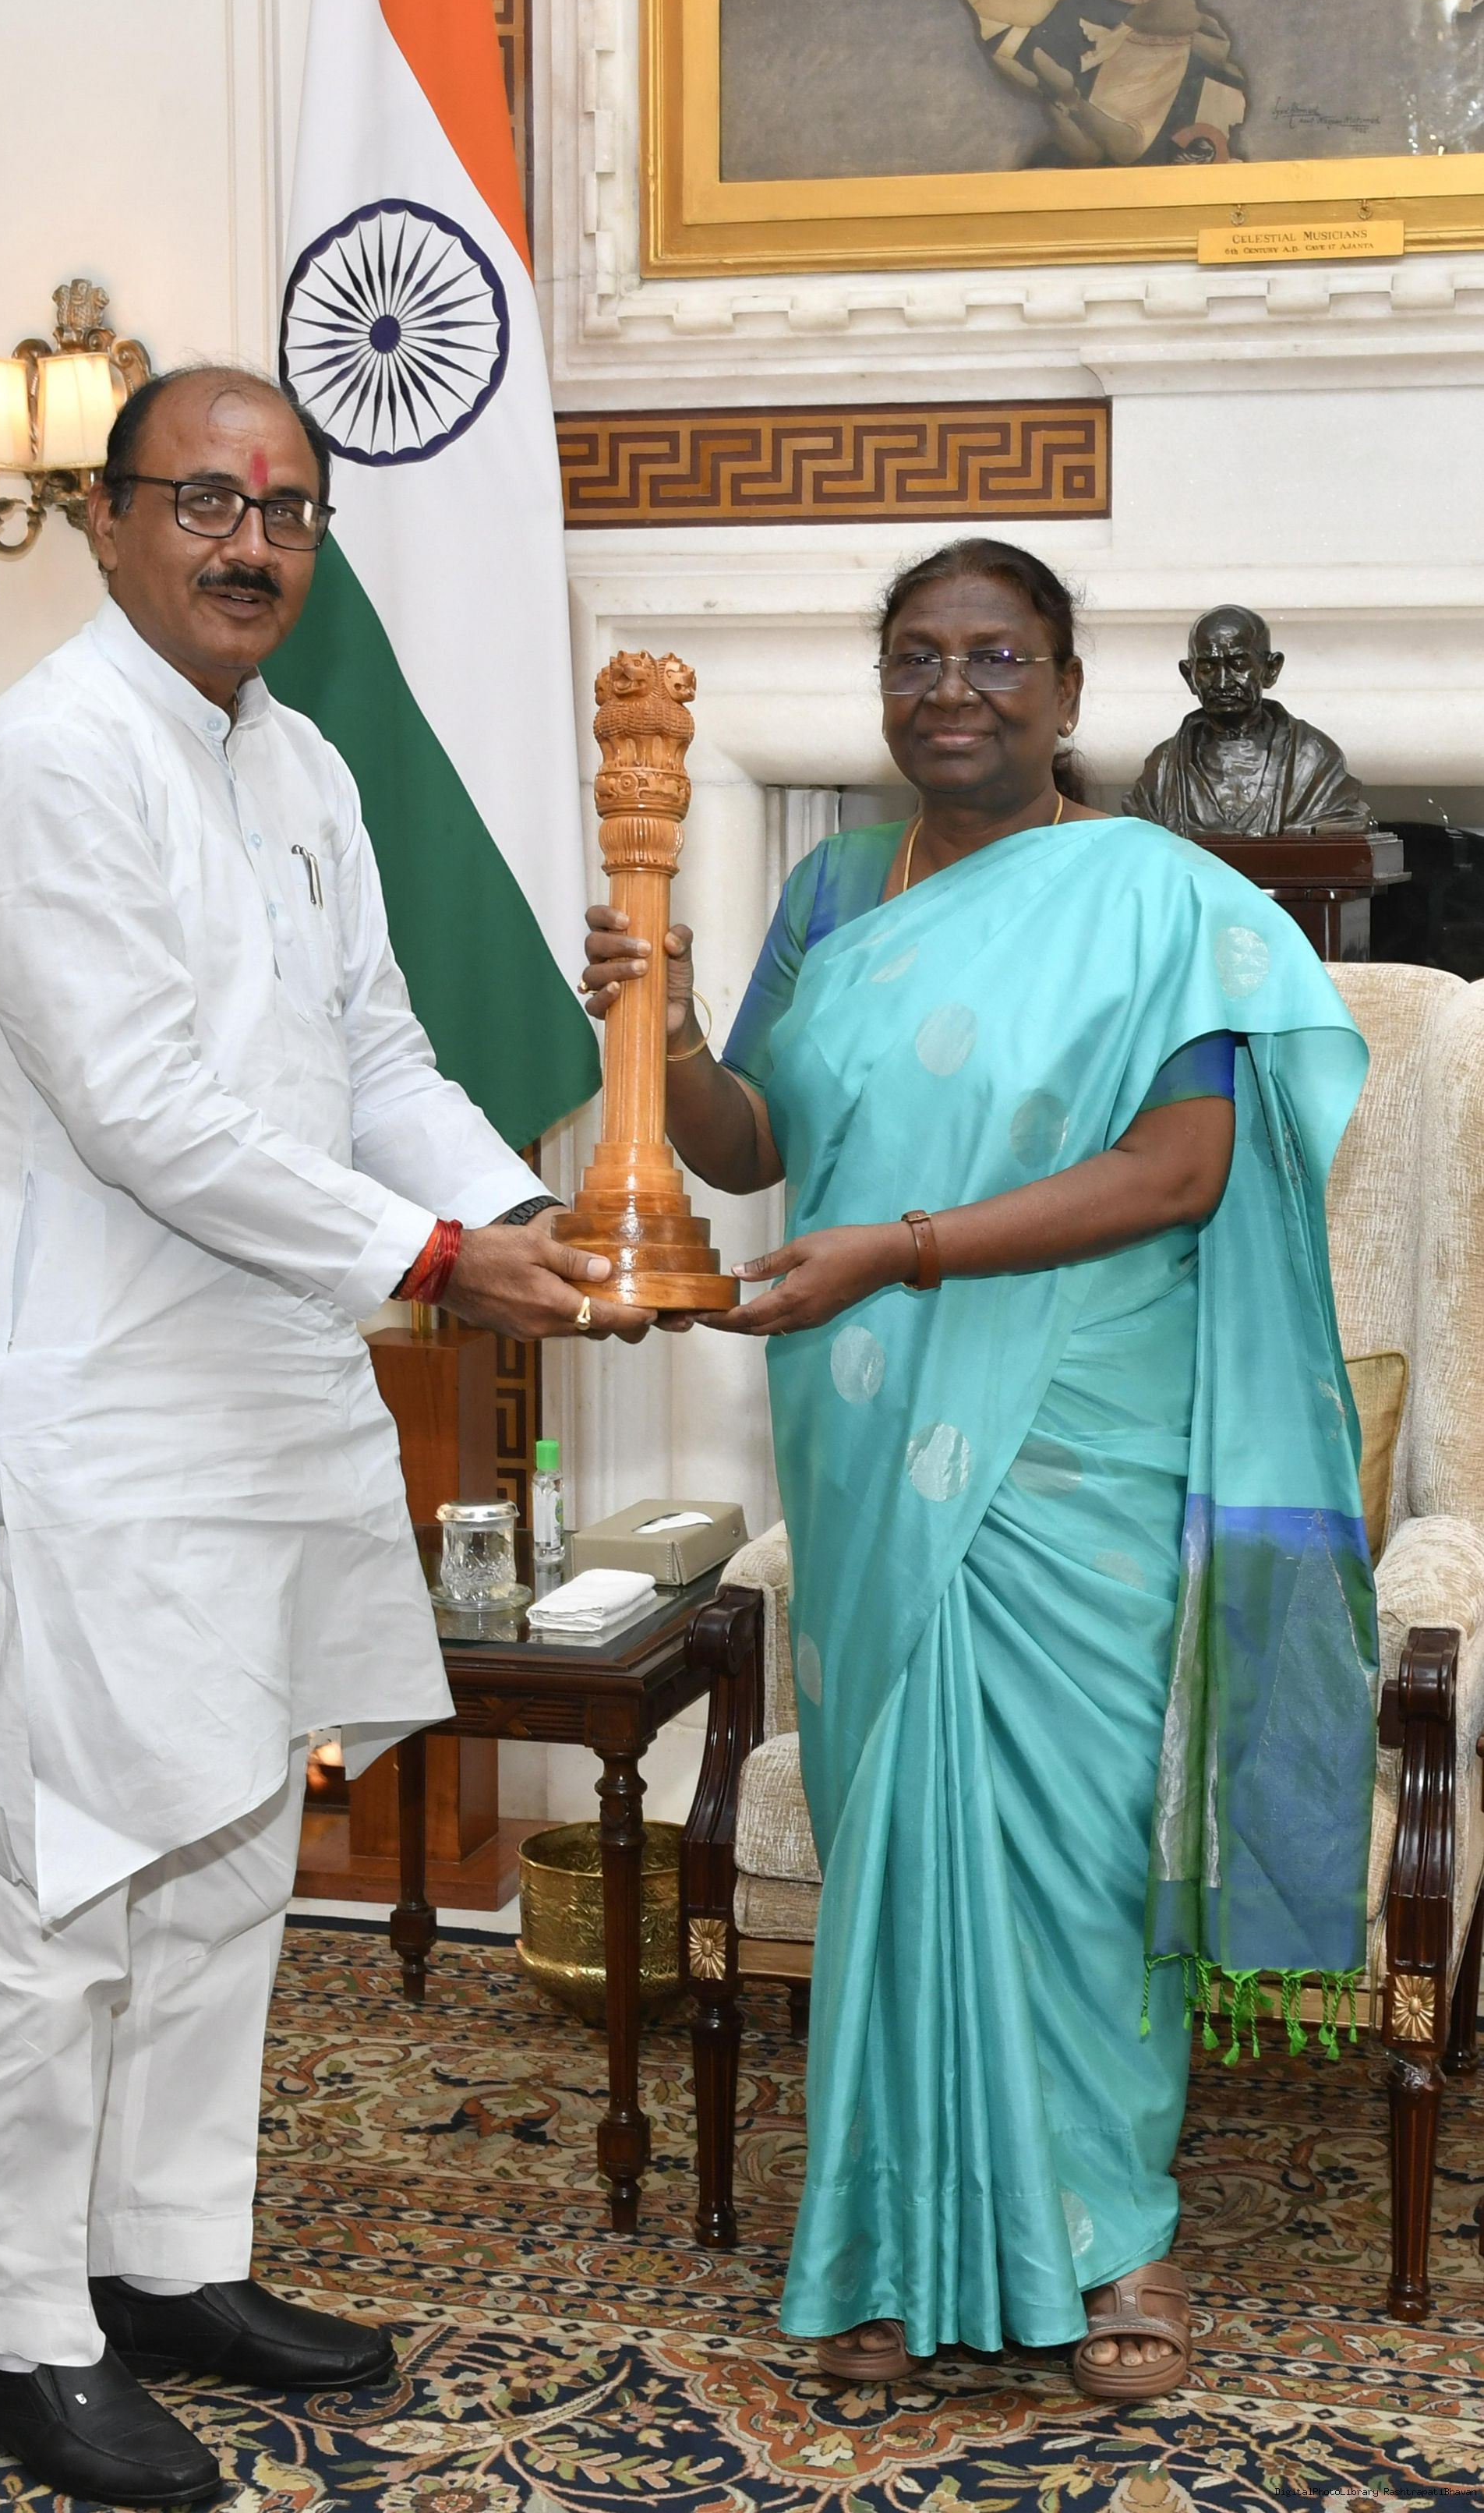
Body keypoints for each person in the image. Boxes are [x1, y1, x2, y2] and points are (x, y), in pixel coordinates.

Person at [0, 365, 641, 2509]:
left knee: (230, 1844)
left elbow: (376, 1052)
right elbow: (145, 1112)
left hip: (270, 1391)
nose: (251, 543)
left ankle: (164, 2260)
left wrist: (525, 1218)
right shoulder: (48, 759)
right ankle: (17, 2332)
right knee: (62, 1878)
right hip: (93, 1415)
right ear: (106, 517)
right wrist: (438, 1259)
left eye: (289, 510)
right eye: (206, 501)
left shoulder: (300, 759)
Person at [582, 539, 1376, 2397]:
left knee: (1080, 1848)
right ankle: (882, 2239)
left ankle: (1114, 2240)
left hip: (1080, 1426)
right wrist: (664, 1023)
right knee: (897, 1835)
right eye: (917, 658)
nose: (952, 689)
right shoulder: (830, 889)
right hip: (869, 1423)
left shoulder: (1160, 897)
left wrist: (907, 1246)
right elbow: (753, 1136)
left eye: (996, 656)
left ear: (1066, 690)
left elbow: (1177, 1168)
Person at [1126, 604, 1372, 837]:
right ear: (1189, 676)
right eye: (1208, 668)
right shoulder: (1162, 767)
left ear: (1271, 669)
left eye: (1238, 665)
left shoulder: (1313, 758)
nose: (1223, 683)